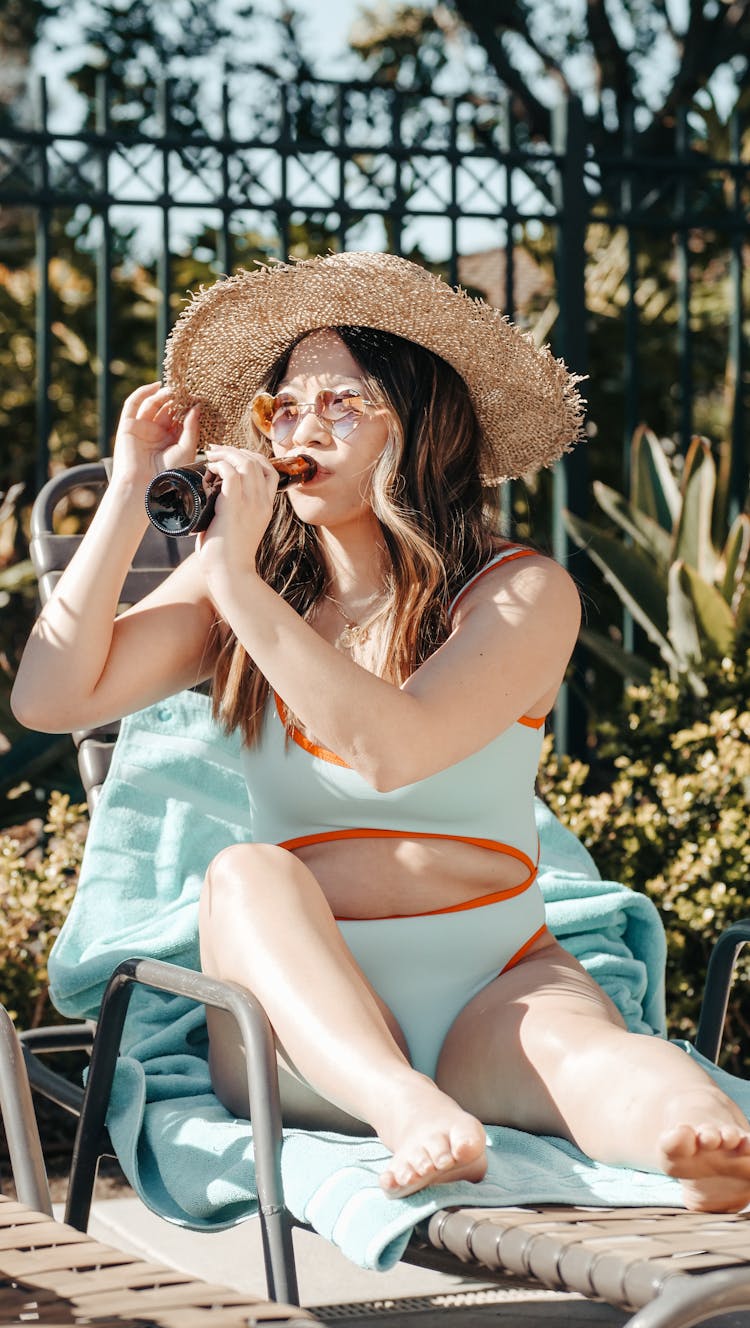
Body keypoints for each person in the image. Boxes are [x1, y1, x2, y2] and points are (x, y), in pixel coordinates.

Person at [12, 252, 750, 1211]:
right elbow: (48, 696)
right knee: (243, 873)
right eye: (283, 408)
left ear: (422, 429)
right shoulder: (250, 589)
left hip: (496, 973)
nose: (297, 429)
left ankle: (705, 1148)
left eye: (339, 404)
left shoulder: (521, 591)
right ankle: (403, 1106)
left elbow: (391, 750)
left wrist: (234, 579)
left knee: (598, 1057)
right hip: (298, 1018)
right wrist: (128, 489)